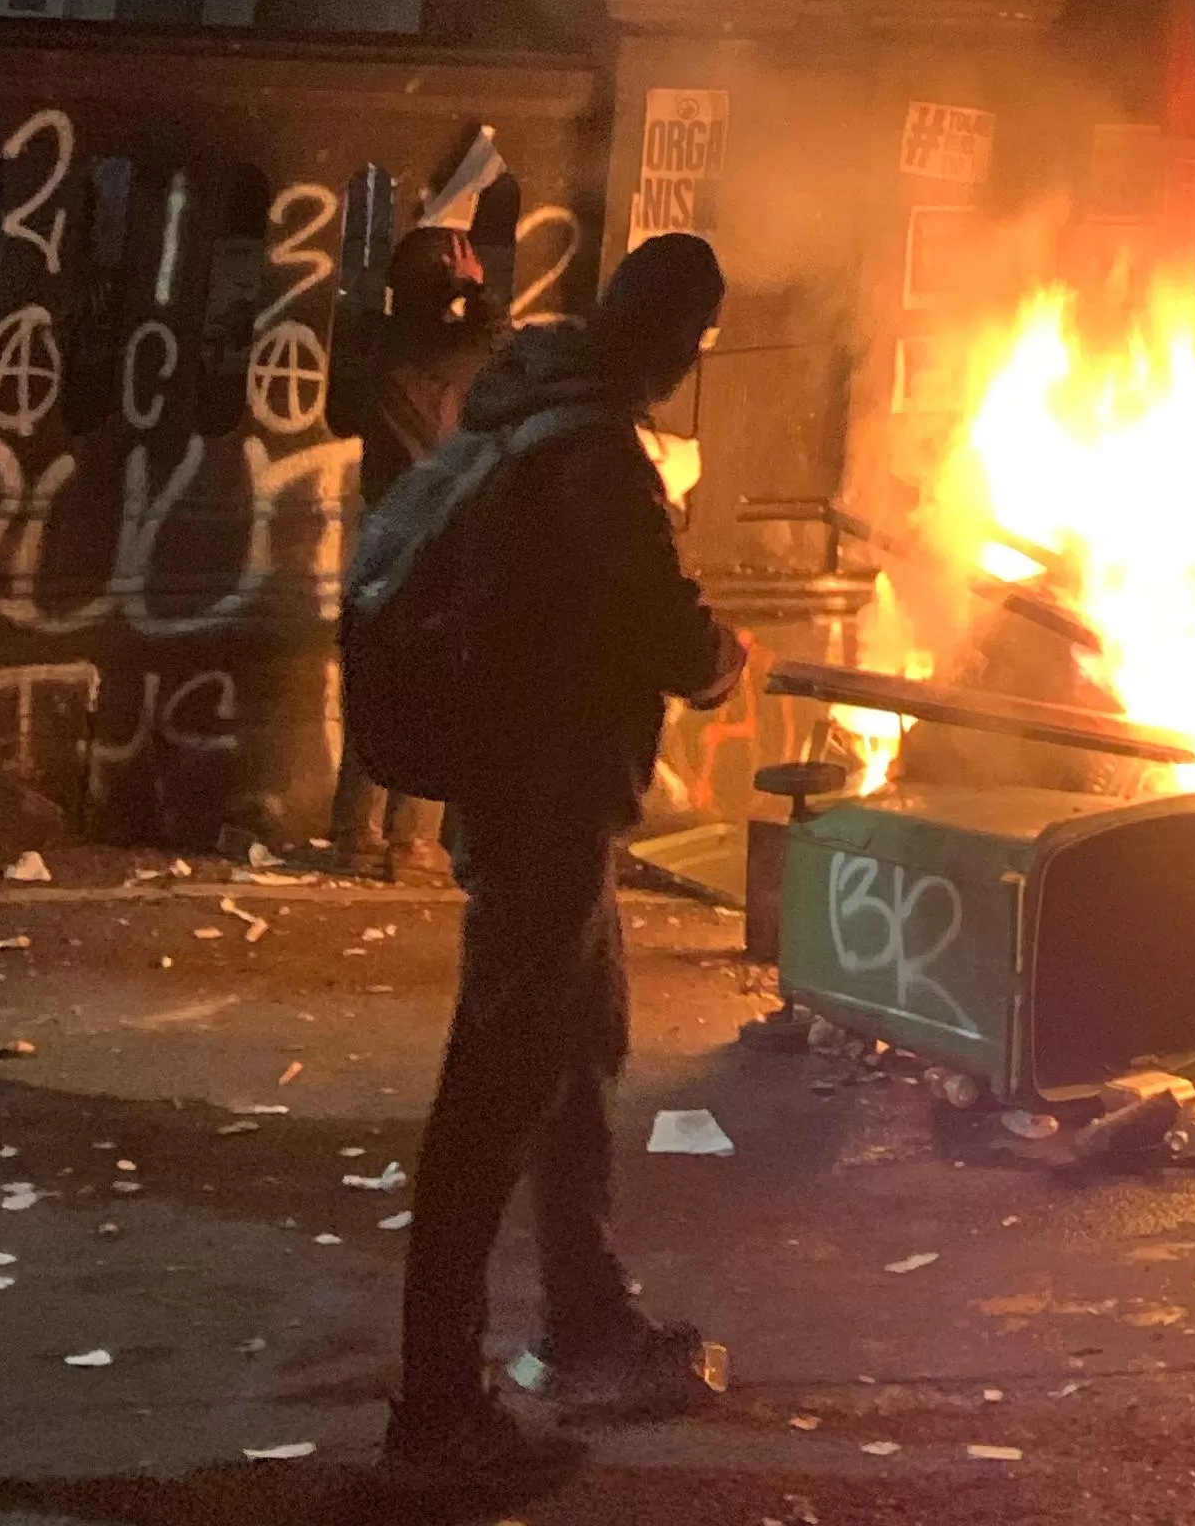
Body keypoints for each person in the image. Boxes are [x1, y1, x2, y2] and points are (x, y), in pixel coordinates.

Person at [387, 231, 744, 1489]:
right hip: (545, 804)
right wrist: (718, 660)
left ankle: (583, 1322)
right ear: (668, 330)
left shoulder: (526, 410)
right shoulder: (590, 447)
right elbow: (657, 618)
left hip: (537, 803)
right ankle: (437, 1410)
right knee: (496, 1090)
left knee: (571, 1057)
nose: (688, 363)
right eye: (692, 341)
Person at [331, 224, 505, 880]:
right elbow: (505, 349)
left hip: (382, 527)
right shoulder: (464, 349)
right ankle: (410, 843)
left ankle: (353, 834)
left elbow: (346, 414)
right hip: (444, 533)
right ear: (452, 286)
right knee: (436, 683)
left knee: (372, 670)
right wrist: (478, 293)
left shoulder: (374, 344)